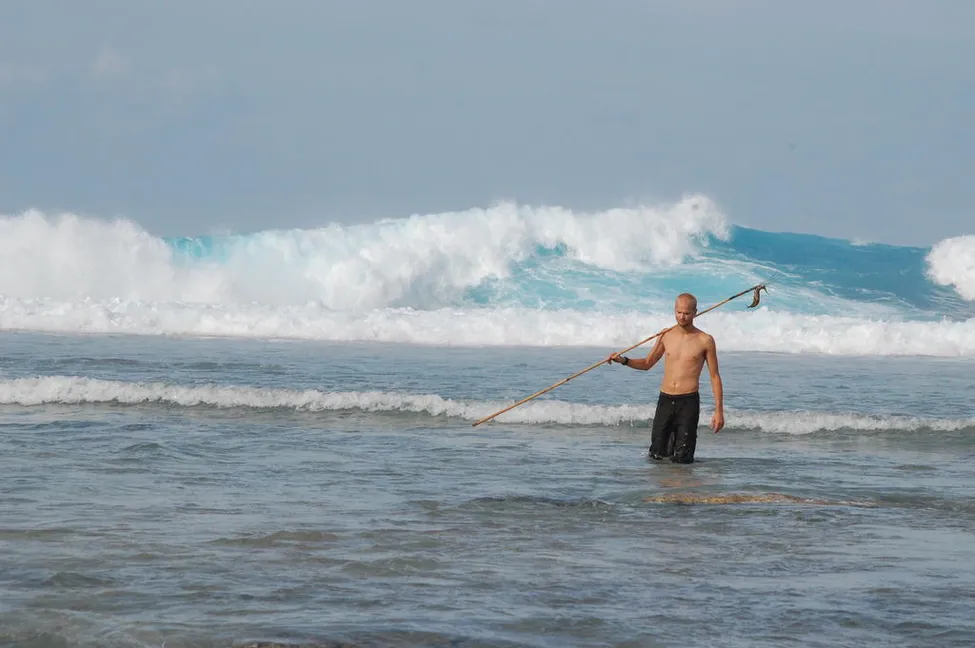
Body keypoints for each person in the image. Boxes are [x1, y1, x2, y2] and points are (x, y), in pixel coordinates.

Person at [608, 293, 725, 463]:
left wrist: (719, 411)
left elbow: (715, 376)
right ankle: (662, 489)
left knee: (683, 458)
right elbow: (648, 363)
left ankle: (683, 489)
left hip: (688, 402)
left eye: (686, 313)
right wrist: (623, 360)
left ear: (695, 312)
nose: (682, 316)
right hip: (665, 400)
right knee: (657, 454)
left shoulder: (705, 340)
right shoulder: (666, 335)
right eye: (678, 312)